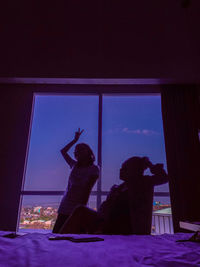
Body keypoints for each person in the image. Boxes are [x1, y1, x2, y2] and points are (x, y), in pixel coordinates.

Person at [59, 156, 168, 235]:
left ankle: (62, 243)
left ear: (135, 171)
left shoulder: (143, 183)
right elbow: (106, 208)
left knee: (80, 211)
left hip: (125, 227)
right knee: (80, 211)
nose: (120, 170)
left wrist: (150, 165)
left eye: (125, 168)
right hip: (109, 222)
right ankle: (65, 241)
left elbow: (164, 178)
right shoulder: (118, 188)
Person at [52, 128, 99, 233]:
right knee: (57, 235)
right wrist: (75, 140)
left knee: (75, 236)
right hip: (65, 205)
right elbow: (63, 151)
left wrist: (81, 208)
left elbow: (88, 189)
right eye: (76, 150)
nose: (77, 152)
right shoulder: (74, 165)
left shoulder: (94, 169)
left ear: (88, 152)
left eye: (81, 149)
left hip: (78, 206)